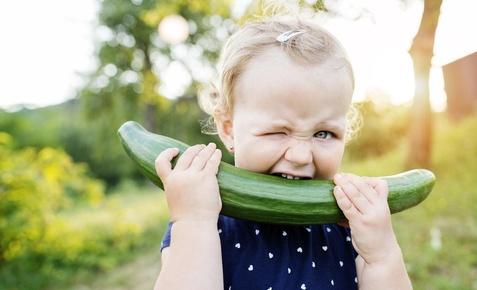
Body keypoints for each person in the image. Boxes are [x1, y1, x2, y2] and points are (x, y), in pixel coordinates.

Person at [153, 12, 412, 290]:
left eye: (323, 133)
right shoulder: (204, 219)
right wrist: (193, 224)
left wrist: (381, 255)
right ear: (228, 129)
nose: (301, 156)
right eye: (277, 132)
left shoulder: (348, 230)